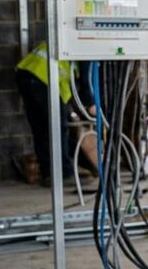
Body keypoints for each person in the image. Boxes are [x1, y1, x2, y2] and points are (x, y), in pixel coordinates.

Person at [15, 42, 93, 185]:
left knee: (42, 129)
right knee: (58, 128)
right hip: (43, 79)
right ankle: (64, 174)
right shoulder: (87, 47)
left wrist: (79, 111)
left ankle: (48, 174)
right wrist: (91, 105)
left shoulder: (66, 40)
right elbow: (85, 83)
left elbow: (70, 94)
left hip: (25, 74)